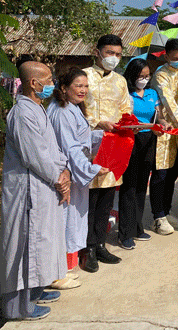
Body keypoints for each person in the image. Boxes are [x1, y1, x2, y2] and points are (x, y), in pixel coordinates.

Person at [2, 61, 70, 321]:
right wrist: (59, 179)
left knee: (42, 241)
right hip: (28, 190)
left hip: (44, 186)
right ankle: (19, 308)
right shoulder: (22, 113)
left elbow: (51, 148)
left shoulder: (37, 108)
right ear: (34, 83)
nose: (51, 84)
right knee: (26, 245)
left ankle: (36, 290)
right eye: (49, 79)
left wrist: (64, 170)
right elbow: (35, 155)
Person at [47, 68, 108, 283]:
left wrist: (105, 135)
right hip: (67, 174)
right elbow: (70, 148)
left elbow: (81, 138)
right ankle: (57, 273)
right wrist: (90, 168)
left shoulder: (72, 108)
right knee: (65, 222)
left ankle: (66, 268)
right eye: (78, 86)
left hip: (74, 172)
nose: (83, 90)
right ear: (64, 87)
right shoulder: (62, 112)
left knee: (72, 221)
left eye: (86, 86)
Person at [83, 34, 132, 268]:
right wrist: (96, 122)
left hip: (114, 145)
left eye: (118, 54)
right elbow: (72, 107)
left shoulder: (121, 81)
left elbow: (126, 108)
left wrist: (128, 123)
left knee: (106, 199)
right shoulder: (83, 77)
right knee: (89, 201)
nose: (114, 58)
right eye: (110, 52)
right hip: (88, 146)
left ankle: (101, 244)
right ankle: (87, 248)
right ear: (98, 51)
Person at [118, 59, 169, 249]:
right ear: (132, 76)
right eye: (140, 76)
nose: (144, 80)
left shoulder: (151, 93)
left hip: (149, 140)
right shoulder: (126, 94)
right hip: (131, 140)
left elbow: (158, 115)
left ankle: (138, 228)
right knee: (129, 186)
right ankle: (125, 233)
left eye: (147, 76)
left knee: (141, 185)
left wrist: (163, 123)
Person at [151, 38, 178, 235]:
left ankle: (166, 212)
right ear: (166, 56)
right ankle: (157, 217)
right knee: (161, 173)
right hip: (164, 128)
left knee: (173, 173)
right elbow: (168, 101)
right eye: (176, 58)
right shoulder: (161, 75)